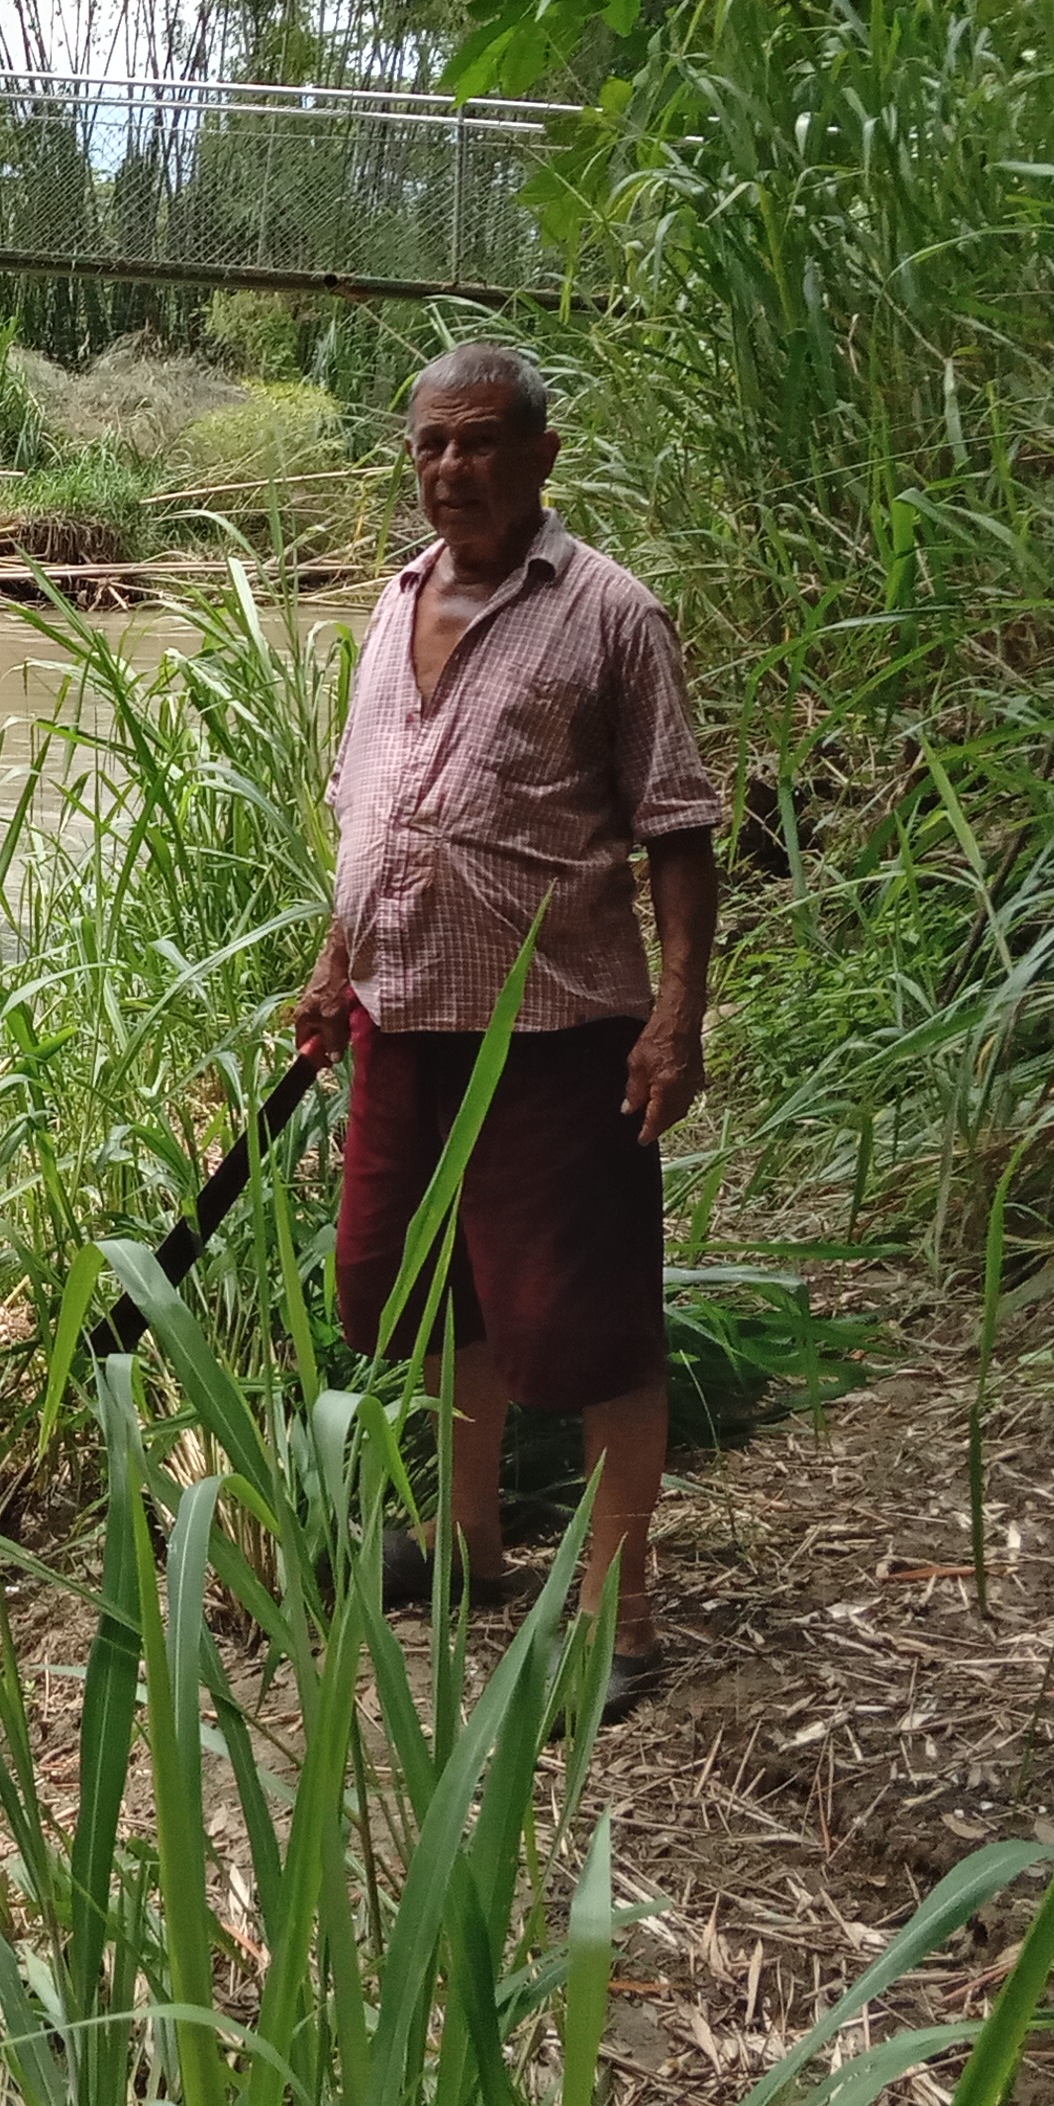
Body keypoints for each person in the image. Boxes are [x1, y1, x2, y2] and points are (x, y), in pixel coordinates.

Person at [293, 341, 719, 1716]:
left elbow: (677, 826)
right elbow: (371, 810)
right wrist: (334, 966)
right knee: (421, 1292)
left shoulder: (611, 615)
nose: (451, 467)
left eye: (479, 441)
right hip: (400, 1018)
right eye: (430, 443)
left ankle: (619, 1611)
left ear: (541, 454)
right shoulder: (392, 599)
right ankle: (467, 1541)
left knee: (594, 1327)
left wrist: (677, 1015)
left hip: (557, 1033)